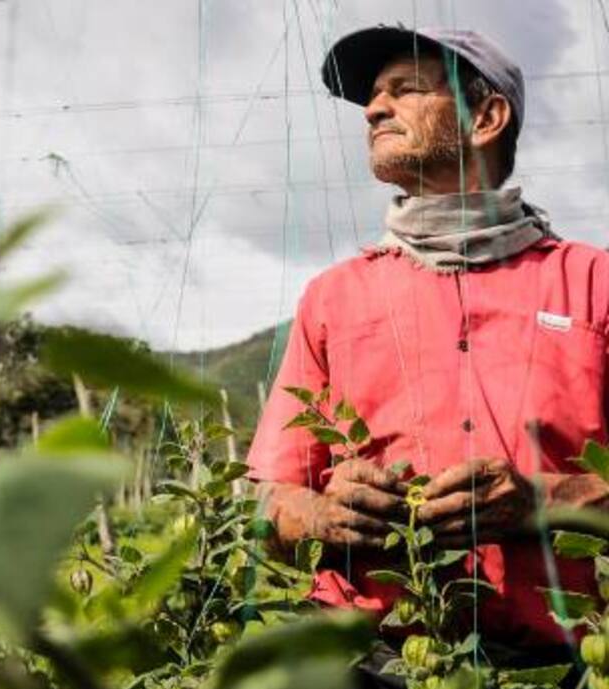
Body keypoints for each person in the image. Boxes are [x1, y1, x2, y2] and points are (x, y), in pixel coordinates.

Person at [247, 26, 609, 647]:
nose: (373, 109)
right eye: (373, 97)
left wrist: (538, 500)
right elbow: (265, 506)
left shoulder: (593, 284)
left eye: (405, 89)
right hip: (377, 665)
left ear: (487, 116)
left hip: (567, 675)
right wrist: (321, 515)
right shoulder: (334, 298)